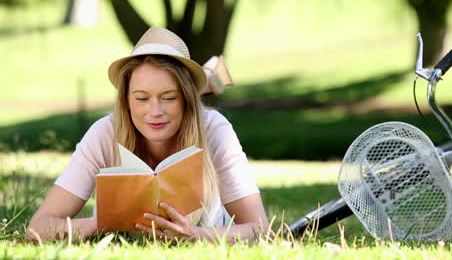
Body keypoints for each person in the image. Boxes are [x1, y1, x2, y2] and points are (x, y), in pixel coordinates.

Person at [26, 27, 269, 243]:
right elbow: (37, 228)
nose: (155, 112)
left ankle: (206, 78)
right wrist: (100, 223)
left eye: (170, 98)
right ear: (126, 101)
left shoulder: (214, 130)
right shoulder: (104, 133)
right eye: (141, 98)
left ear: (187, 101)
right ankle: (203, 79)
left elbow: (261, 230)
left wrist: (194, 235)